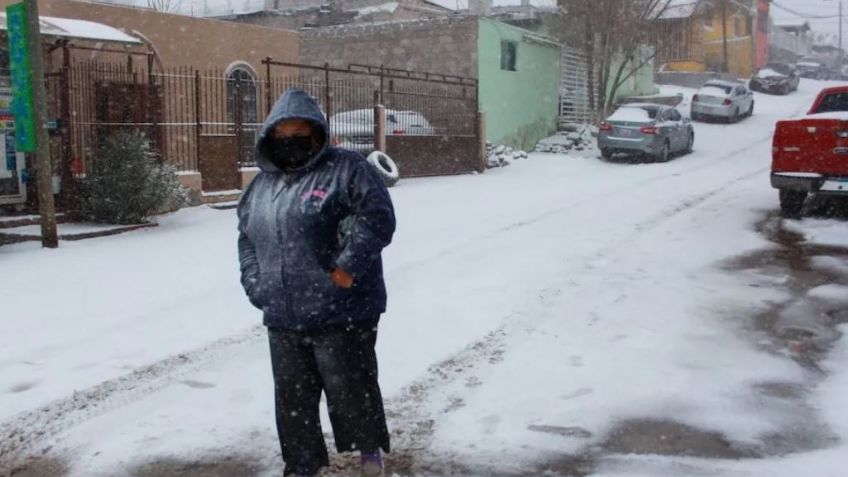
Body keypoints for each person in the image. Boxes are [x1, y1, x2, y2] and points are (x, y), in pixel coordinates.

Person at [237, 88, 396, 477]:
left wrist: (347, 268)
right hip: (283, 313)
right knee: (293, 397)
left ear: (316, 133)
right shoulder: (262, 185)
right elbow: (246, 237)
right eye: (282, 135)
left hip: (342, 310)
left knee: (351, 389)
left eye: (299, 134)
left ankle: (369, 454)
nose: (290, 142)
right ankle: (301, 463)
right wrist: (255, 283)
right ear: (269, 137)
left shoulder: (347, 169)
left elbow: (376, 218)